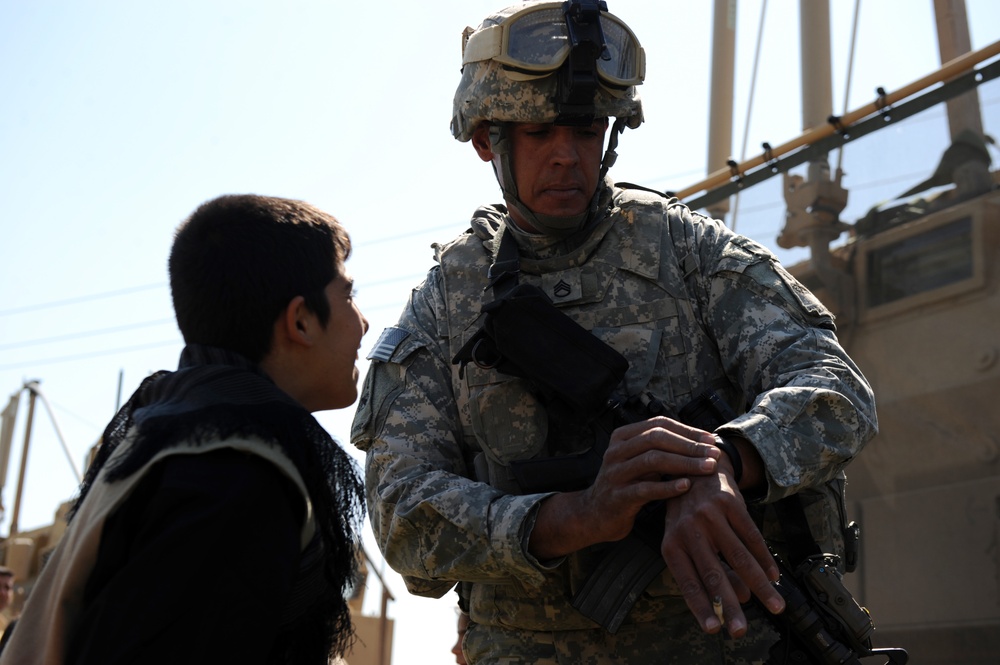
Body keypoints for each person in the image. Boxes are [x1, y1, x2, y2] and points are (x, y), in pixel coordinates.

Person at [351, 1, 877, 663]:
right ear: (488, 138)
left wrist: (724, 461)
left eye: (587, 127)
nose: (569, 155)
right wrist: (576, 515)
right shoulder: (450, 298)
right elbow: (403, 516)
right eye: (541, 131)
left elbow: (837, 391)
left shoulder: (686, 250)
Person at [1, 194, 369, 665]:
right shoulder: (234, 475)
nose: (362, 322)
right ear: (300, 319)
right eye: (349, 295)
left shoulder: (177, 434)